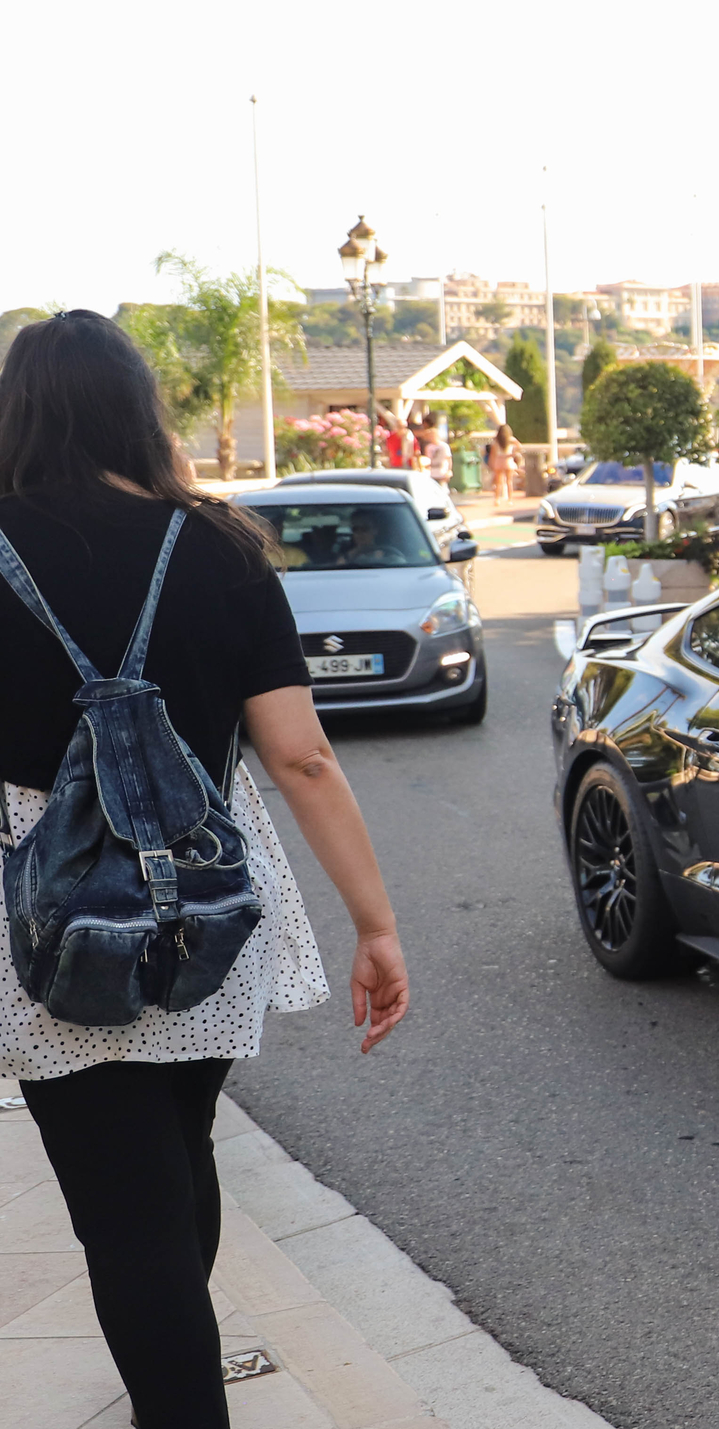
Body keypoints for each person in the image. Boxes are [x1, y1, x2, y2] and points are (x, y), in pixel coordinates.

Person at [0, 312, 411, 1426]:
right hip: (206, 903)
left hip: (44, 912)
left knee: (124, 1212)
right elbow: (301, 756)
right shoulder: (218, 543)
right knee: (176, 1153)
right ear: (141, 412)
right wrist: (374, 925)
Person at [484, 423, 521, 504]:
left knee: (498, 482)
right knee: (509, 481)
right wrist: (513, 453)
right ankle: (510, 500)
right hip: (508, 460)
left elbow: (493, 454)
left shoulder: (496, 441)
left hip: (499, 460)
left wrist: (491, 463)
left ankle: (497, 499)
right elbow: (519, 446)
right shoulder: (510, 439)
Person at [419, 414, 452, 489]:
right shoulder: (428, 447)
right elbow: (428, 459)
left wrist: (449, 471)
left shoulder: (444, 446)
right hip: (432, 473)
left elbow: (448, 459)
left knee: (443, 490)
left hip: (442, 472)